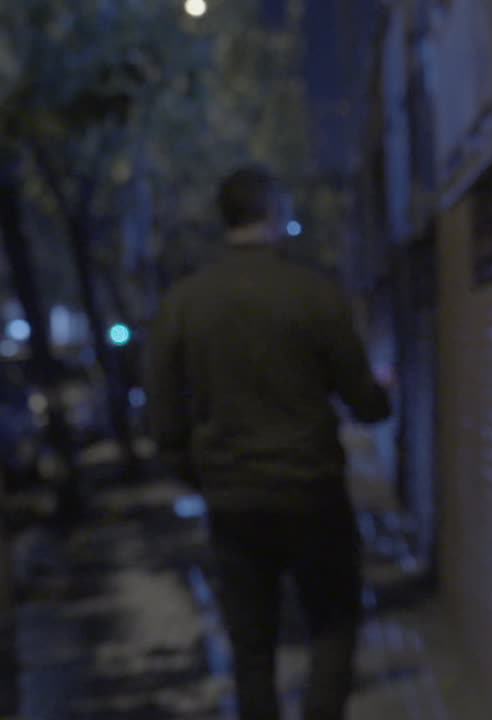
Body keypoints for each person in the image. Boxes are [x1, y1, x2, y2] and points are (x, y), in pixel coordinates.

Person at [145, 166, 391, 720]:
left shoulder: (184, 302)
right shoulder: (314, 295)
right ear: (276, 213)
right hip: (313, 492)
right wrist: (378, 396)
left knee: (252, 649)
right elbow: (365, 402)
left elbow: (164, 419)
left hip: (234, 500)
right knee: (333, 626)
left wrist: (202, 473)